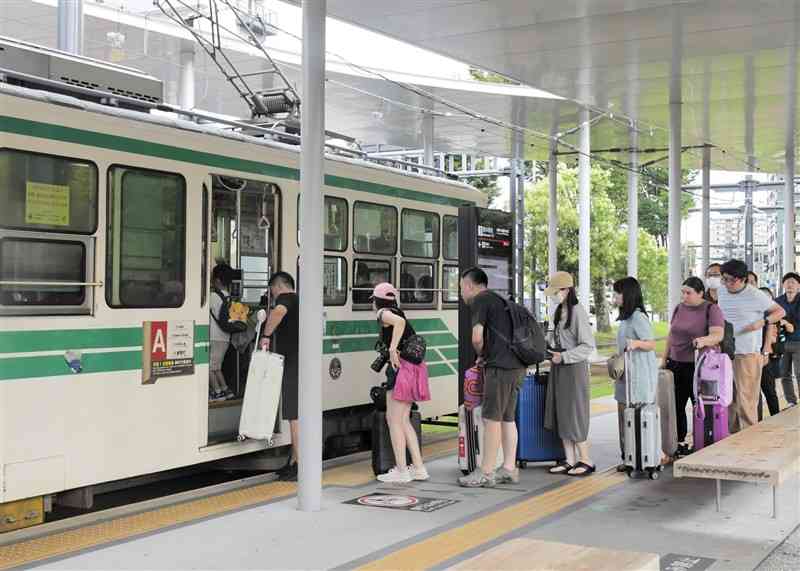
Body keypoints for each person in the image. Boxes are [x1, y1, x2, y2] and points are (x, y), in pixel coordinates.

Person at [458, 267, 525, 488]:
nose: (461, 293)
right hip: (517, 367)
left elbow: (477, 338)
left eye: (461, 288)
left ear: (469, 285)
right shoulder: (499, 299)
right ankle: (508, 468)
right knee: (507, 418)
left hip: (499, 368)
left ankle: (485, 472)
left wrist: (481, 355)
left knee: (491, 419)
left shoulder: (481, 301)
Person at [370, 282, 430, 483]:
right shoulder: (399, 311)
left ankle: (402, 470)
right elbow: (402, 323)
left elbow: (399, 324)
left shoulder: (383, 313)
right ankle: (419, 468)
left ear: (377, 301)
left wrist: (392, 348)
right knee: (403, 420)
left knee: (393, 420)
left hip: (400, 371)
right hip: (412, 370)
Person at [717, 260, 785, 432]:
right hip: (725, 352)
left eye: (731, 280)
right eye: (724, 279)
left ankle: (749, 438)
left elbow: (780, 312)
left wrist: (761, 322)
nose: (727, 283)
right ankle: (731, 437)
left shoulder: (755, 294)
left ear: (743, 279)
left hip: (747, 353)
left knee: (746, 400)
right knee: (728, 399)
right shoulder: (722, 291)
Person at [661, 277, 724, 454]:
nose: (684, 296)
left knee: (700, 406)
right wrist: (664, 359)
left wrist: (703, 340)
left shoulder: (711, 309)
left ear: (700, 293)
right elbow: (671, 335)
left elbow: (718, 334)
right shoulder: (678, 308)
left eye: (688, 293)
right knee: (676, 406)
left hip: (699, 367)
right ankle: (678, 443)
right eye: (683, 292)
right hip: (676, 364)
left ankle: (703, 440)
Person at [543, 272, 596, 476]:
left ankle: (585, 459)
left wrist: (564, 357)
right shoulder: (559, 310)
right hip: (559, 367)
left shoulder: (577, 312)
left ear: (566, 290)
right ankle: (570, 459)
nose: (554, 295)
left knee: (575, 412)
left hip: (573, 368)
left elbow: (587, 346)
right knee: (561, 412)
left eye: (556, 291)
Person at [612, 277, 660, 469]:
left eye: (618, 293)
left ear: (628, 295)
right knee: (624, 417)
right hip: (626, 377)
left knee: (636, 416)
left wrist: (636, 344)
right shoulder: (625, 319)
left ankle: (641, 456)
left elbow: (651, 344)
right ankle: (628, 456)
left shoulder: (638, 317)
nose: (615, 296)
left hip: (638, 378)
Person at [260, 271, 300, 481]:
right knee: (296, 414)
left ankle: (299, 463)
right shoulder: (302, 299)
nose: (273, 295)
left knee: (295, 415)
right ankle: (293, 460)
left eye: (272, 290)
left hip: (294, 362)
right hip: (301, 361)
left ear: (278, 286)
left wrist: (266, 335)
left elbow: (278, 312)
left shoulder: (286, 299)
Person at [209, 263, 236, 401]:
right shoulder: (229, 297)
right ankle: (226, 390)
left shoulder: (213, 296)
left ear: (218, 280)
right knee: (216, 367)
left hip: (214, 336)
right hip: (225, 337)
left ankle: (217, 392)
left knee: (208, 366)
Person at [776, 272, 800, 407]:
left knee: (799, 372)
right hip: (783, 342)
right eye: (787, 282)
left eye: (793, 282)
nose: (790, 284)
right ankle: (791, 401)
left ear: (798, 286)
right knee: (784, 373)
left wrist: (786, 322)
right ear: (783, 285)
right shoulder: (778, 301)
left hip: (798, 341)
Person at [757, 287, 781, 419]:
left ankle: (776, 417)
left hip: (765, 357)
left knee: (769, 391)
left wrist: (765, 353)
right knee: (755, 394)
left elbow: (772, 335)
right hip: (751, 356)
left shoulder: (770, 316)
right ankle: (757, 421)